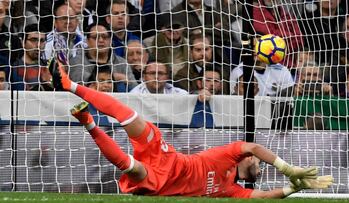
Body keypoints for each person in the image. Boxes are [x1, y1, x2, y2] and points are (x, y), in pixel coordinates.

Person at [49, 59, 333, 198]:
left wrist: (293, 188)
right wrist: (288, 168)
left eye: (260, 164)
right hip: (168, 157)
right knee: (131, 117)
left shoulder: (231, 189)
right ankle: (70, 85)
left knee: (131, 167)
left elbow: (262, 196)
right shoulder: (230, 154)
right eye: (259, 162)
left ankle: (89, 123)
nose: (259, 163)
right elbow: (253, 146)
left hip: (162, 183)